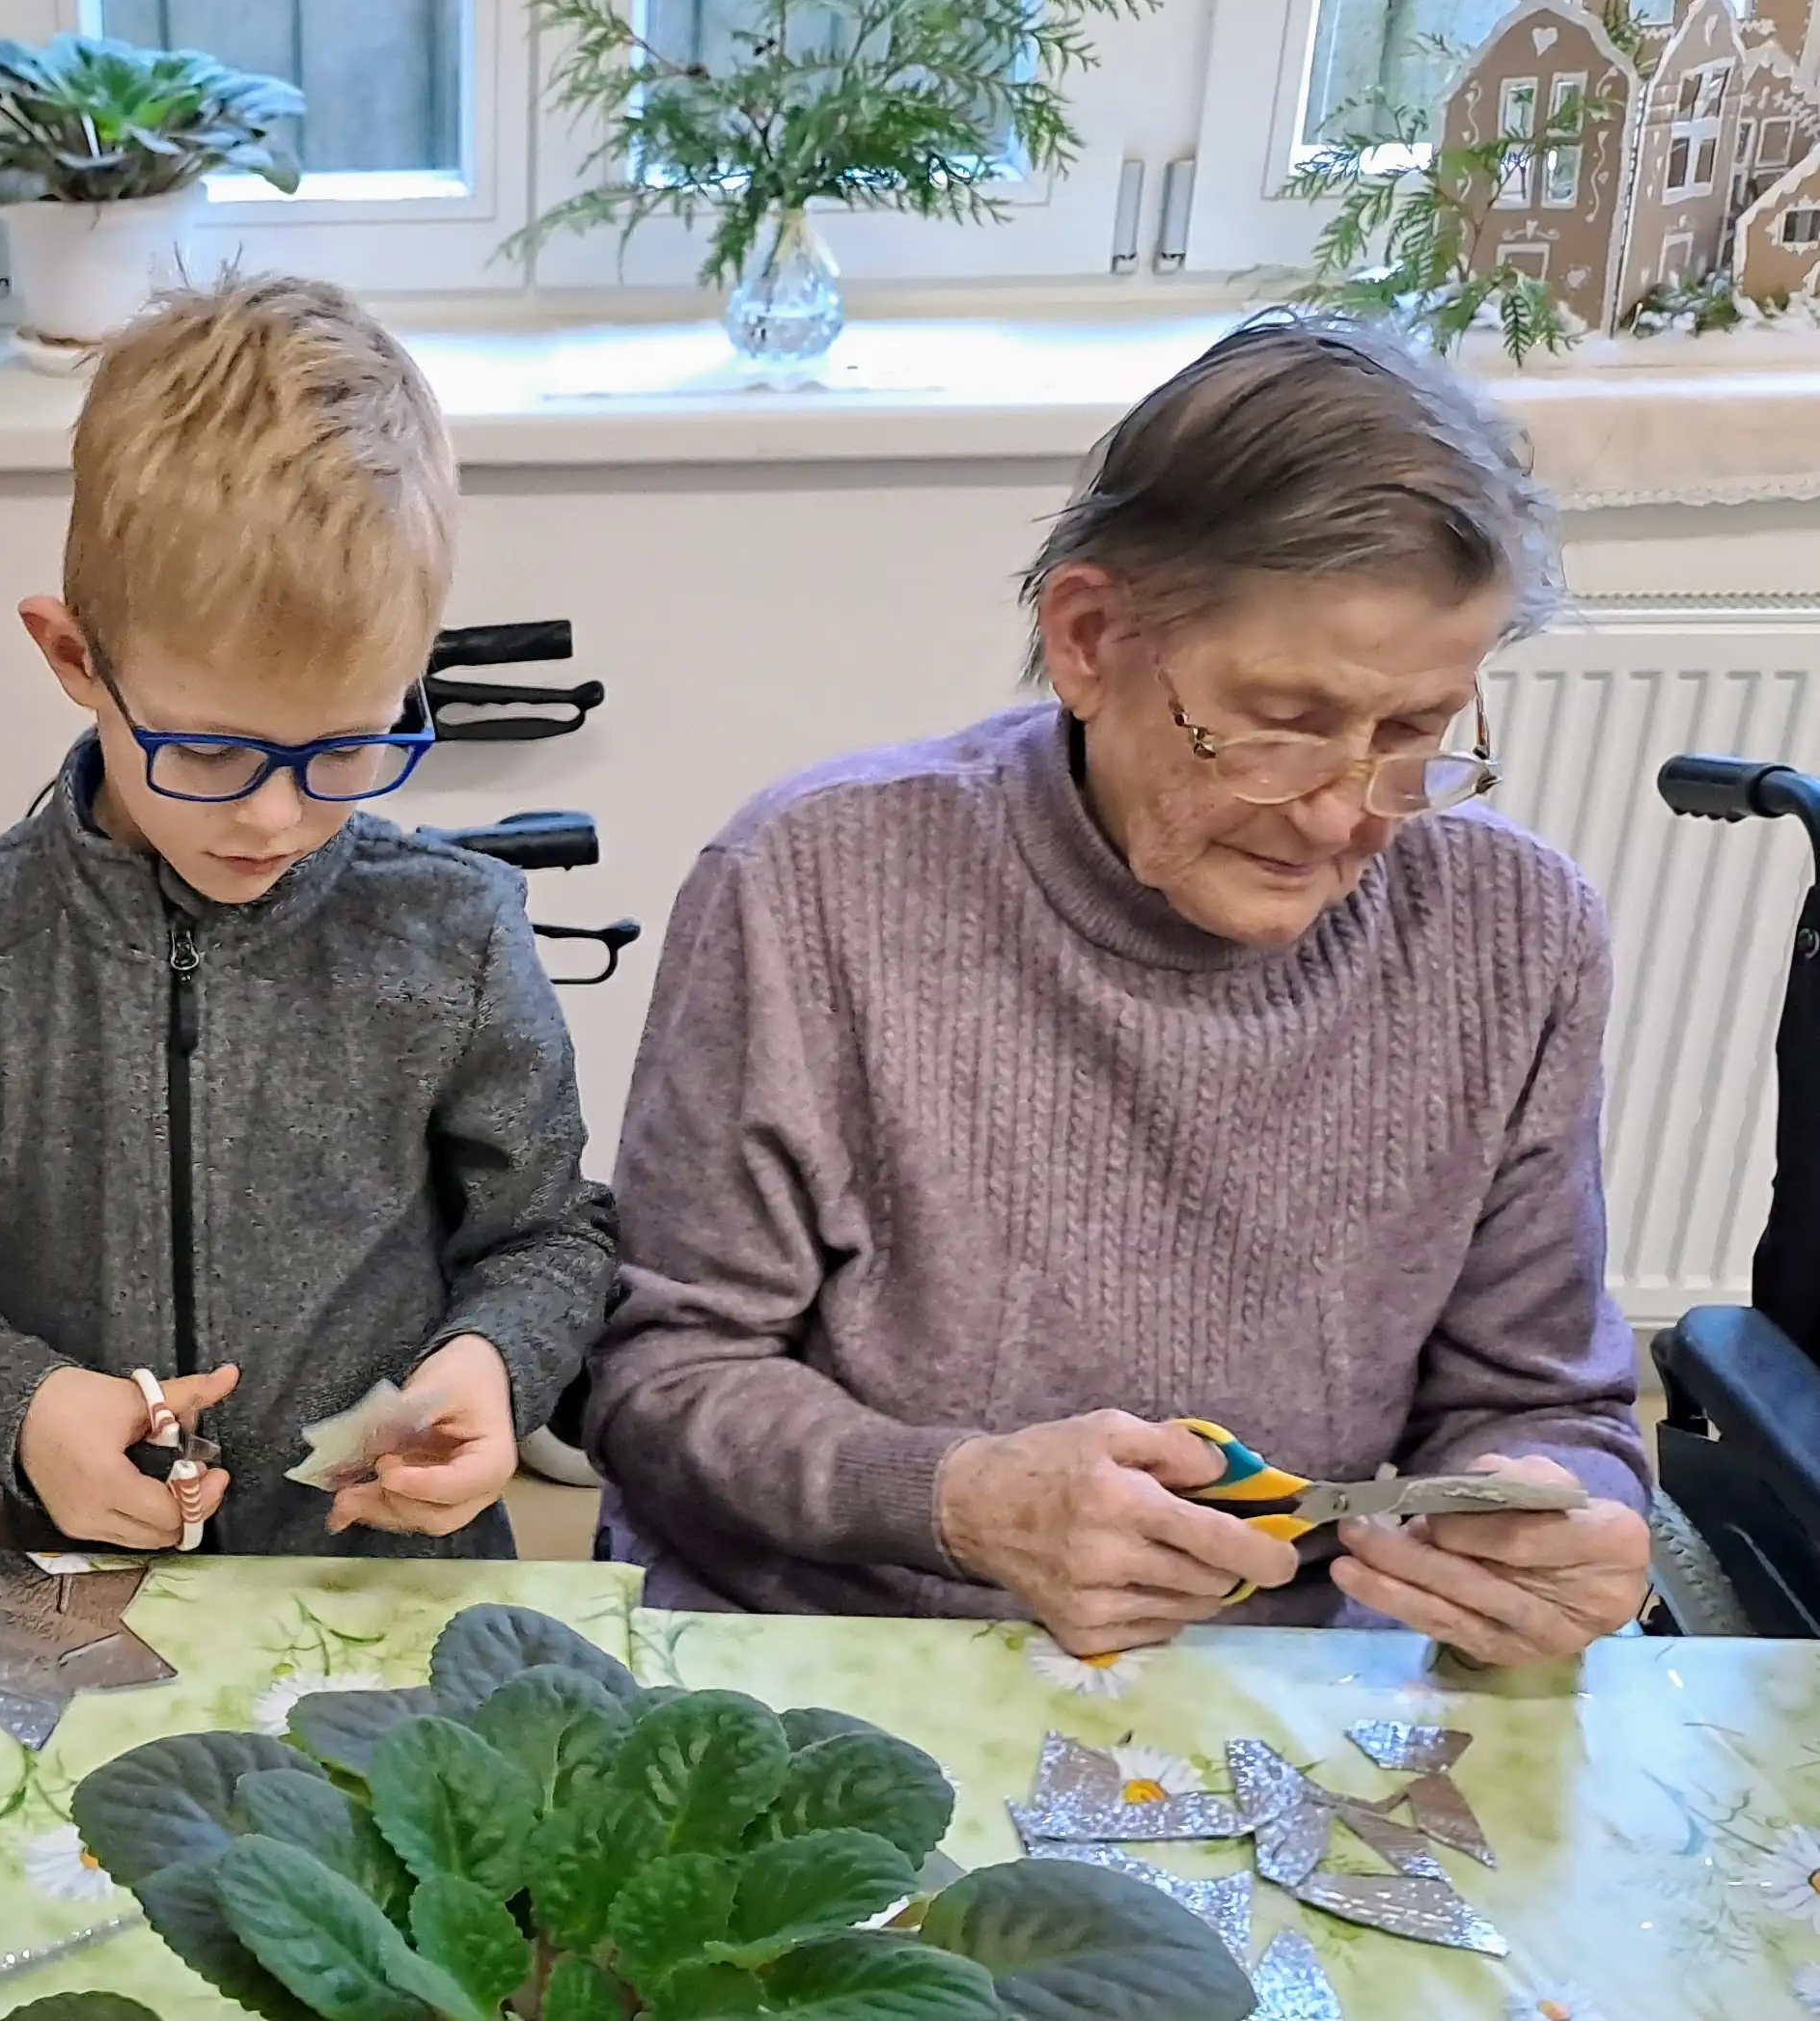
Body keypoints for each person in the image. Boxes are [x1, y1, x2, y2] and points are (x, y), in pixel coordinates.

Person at [589, 315, 1652, 1666]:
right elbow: (657, 1386)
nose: (1343, 814)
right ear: (1087, 638)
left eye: (1413, 733)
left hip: (1267, 1677)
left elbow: (1547, 1404)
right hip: (843, 1652)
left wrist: (1576, 1514)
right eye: (1279, 721)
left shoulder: (1515, 929)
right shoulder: (812, 879)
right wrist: (955, 1503)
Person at [0, 274, 618, 1557]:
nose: (277, 818)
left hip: (387, 1591)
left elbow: (552, 1239)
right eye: (215, 752)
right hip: (75, 1586)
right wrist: (24, 1408)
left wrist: (492, 1365)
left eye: (345, 745)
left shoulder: (451, 936)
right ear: (75, 658)